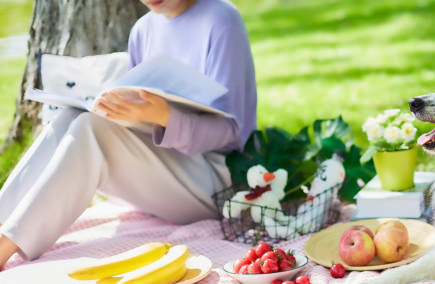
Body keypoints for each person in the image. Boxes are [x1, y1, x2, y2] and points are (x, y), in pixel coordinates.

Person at [0, 0, 257, 269]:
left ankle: (6, 246)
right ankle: (2, 221)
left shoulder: (221, 19)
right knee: (72, 116)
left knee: (92, 130)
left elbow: (232, 132)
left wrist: (164, 116)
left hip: (220, 180)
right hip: (168, 167)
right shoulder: (143, 29)